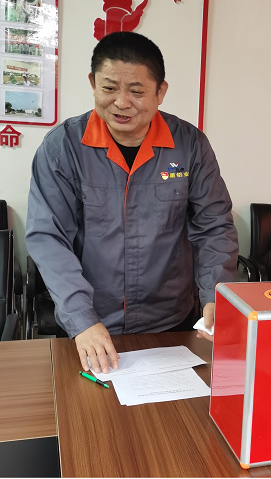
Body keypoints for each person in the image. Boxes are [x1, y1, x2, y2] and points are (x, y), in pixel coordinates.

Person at [25, 32, 238, 375]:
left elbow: (214, 226)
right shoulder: (62, 148)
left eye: (136, 91)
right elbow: (48, 237)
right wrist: (81, 318)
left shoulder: (190, 146)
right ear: (93, 84)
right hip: (91, 323)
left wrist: (215, 295)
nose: (122, 103)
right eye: (109, 88)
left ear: (160, 92)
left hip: (170, 321)